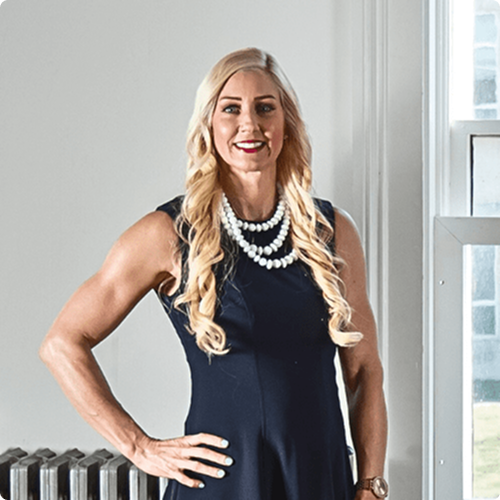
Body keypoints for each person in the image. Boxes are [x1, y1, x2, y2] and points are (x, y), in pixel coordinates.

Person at [40, 47, 387, 500]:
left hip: (319, 478)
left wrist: (371, 484)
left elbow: (364, 371)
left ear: (286, 124)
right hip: (223, 480)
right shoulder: (167, 234)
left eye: (265, 108)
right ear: (209, 124)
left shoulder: (333, 231)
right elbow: (62, 344)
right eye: (231, 109)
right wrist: (139, 447)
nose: (250, 124)